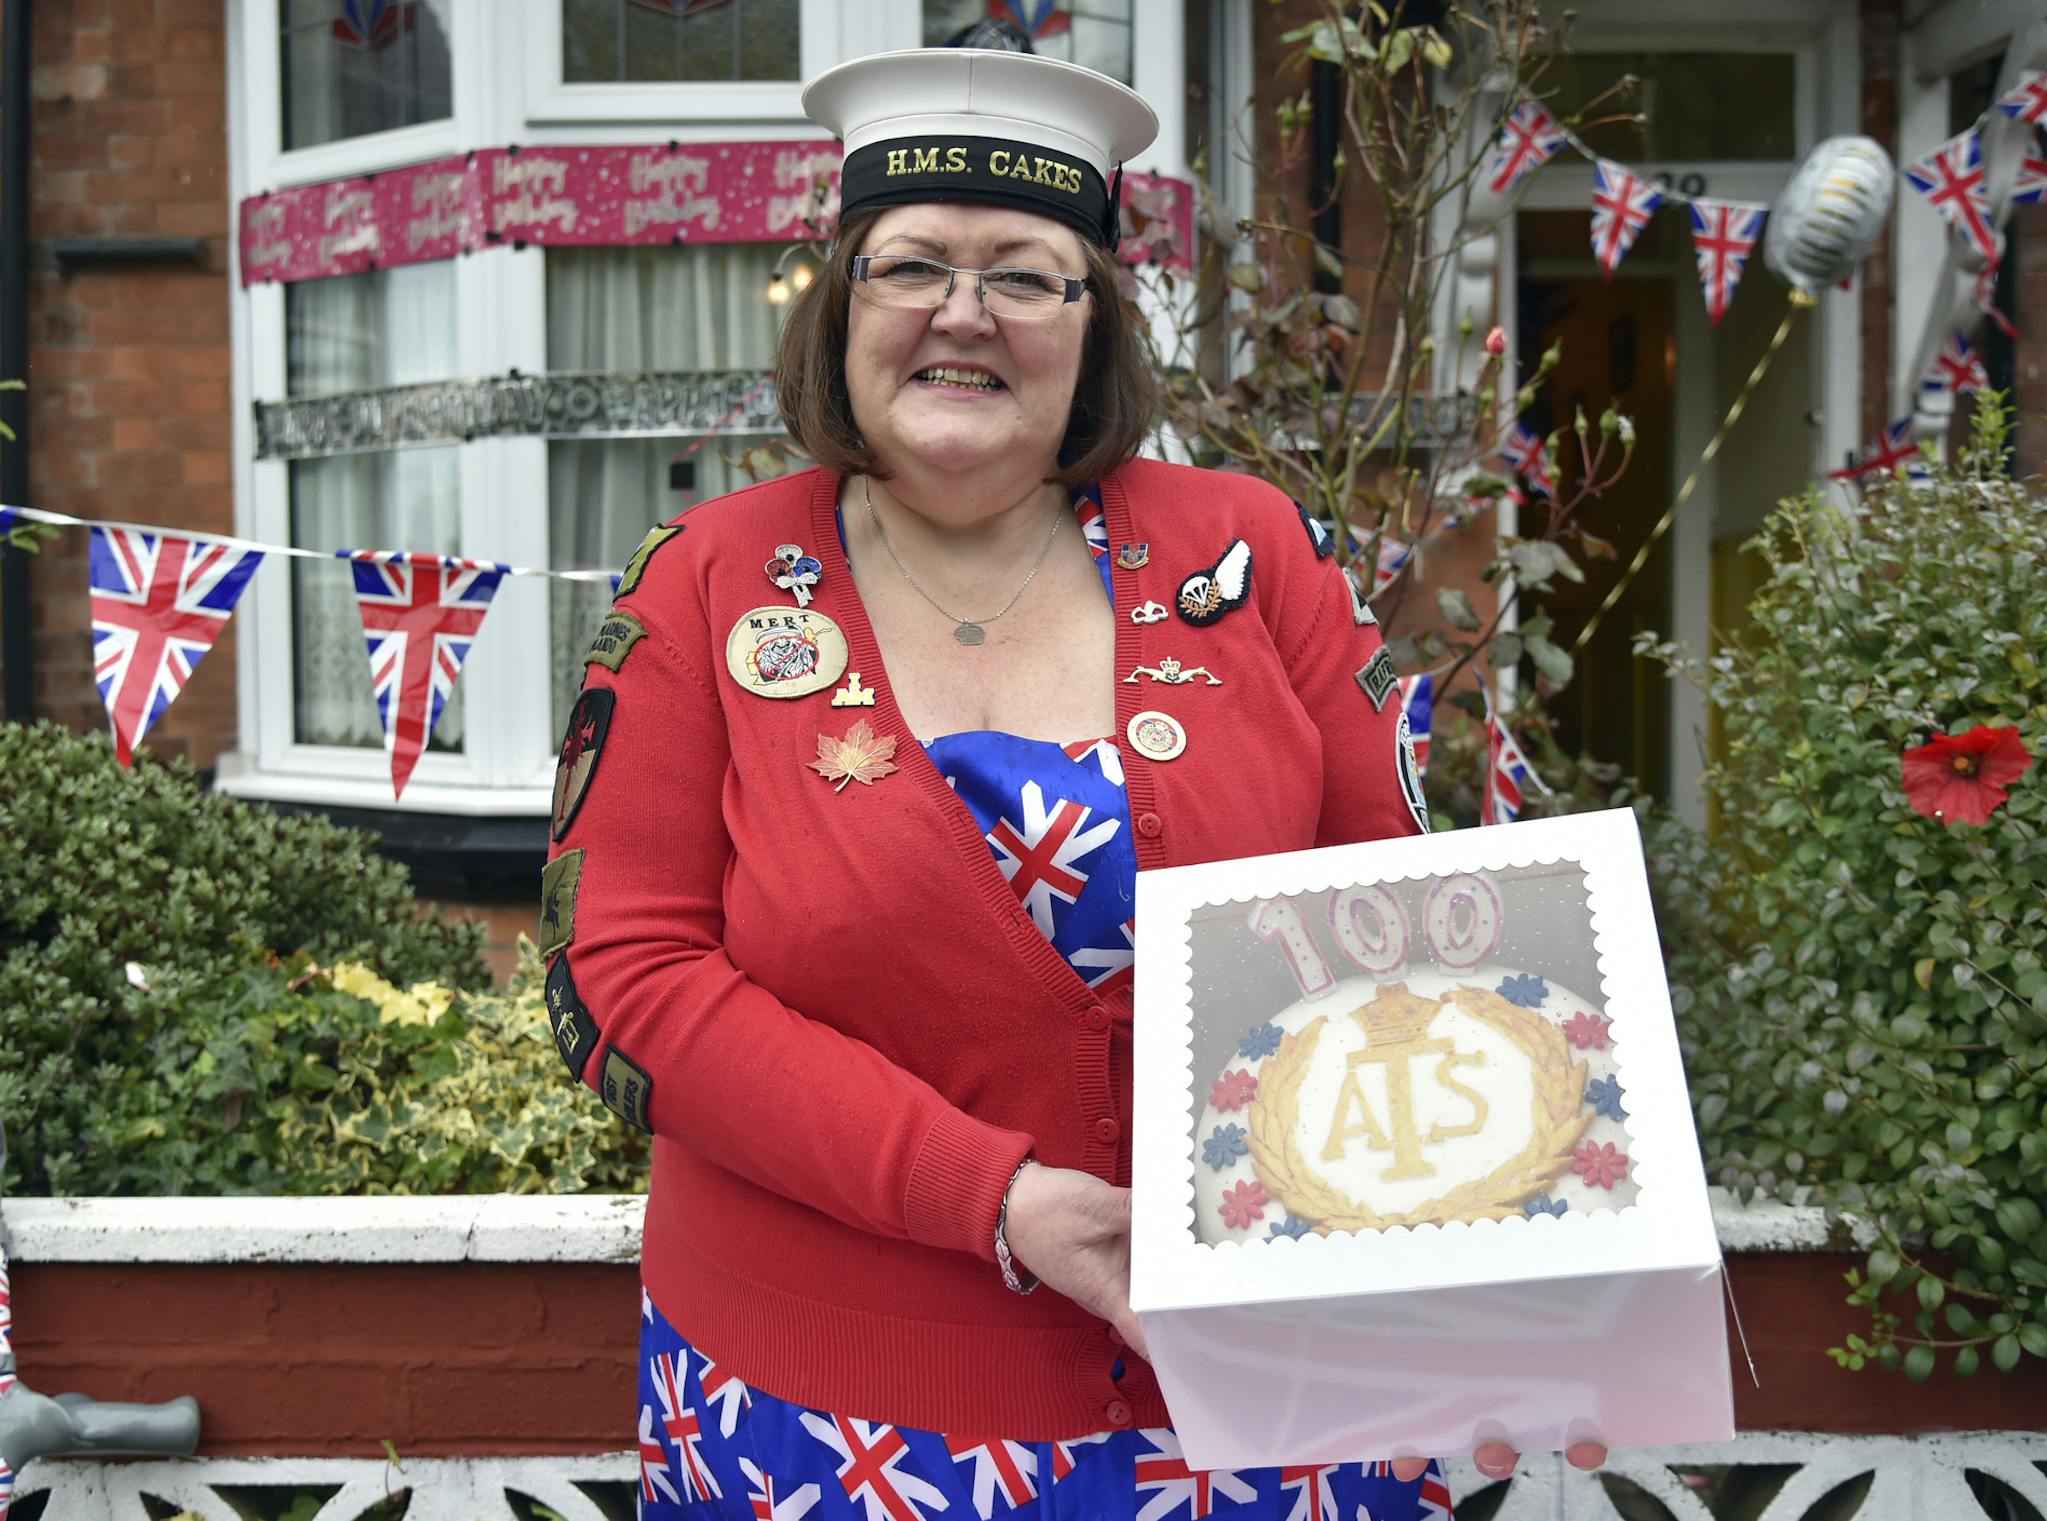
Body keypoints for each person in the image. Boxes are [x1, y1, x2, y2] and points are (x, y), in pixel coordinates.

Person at [544, 38, 1596, 1519]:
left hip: (1266, 1397)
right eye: (910, 263)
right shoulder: (704, 585)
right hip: (821, 1419)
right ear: (841, 301)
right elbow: (625, 978)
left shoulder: (1252, 558)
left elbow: (1419, 938)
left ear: (1095, 323)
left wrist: (1515, 1300)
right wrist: (991, 1197)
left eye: (1028, 273)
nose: (961, 314)